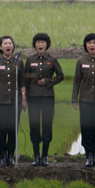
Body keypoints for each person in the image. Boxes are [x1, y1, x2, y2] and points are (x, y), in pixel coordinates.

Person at [23, 32, 64, 167]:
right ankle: (36, 156)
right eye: (38, 42)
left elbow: (60, 75)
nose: (40, 44)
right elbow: (25, 80)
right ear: (35, 45)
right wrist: (25, 98)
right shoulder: (29, 60)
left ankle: (45, 156)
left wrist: (47, 81)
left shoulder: (52, 60)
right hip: (33, 97)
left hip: (47, 97)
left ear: (47, 45)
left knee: (47, 125)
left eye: (43, 42)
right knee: (34, 125)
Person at [72, 33, 95, 167]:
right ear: (85, 45)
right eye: (89, 43)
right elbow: (76, 82)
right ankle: (88, 155)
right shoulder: (81, 61)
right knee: (86, 127)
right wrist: (74, 99)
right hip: (85, 100)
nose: (92, 45)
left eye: (94, 43)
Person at [0, 35, 24, 167]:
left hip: (16, 102)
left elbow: (22, 82)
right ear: (0, 47)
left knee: (13, 130)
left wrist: (24, 98)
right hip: (1, 102)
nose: (8, 45)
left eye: (10, 43)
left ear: (13, 46)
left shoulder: (18, 62)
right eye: (5, 44)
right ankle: (2, 156)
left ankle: (11, 155)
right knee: (2, 130)